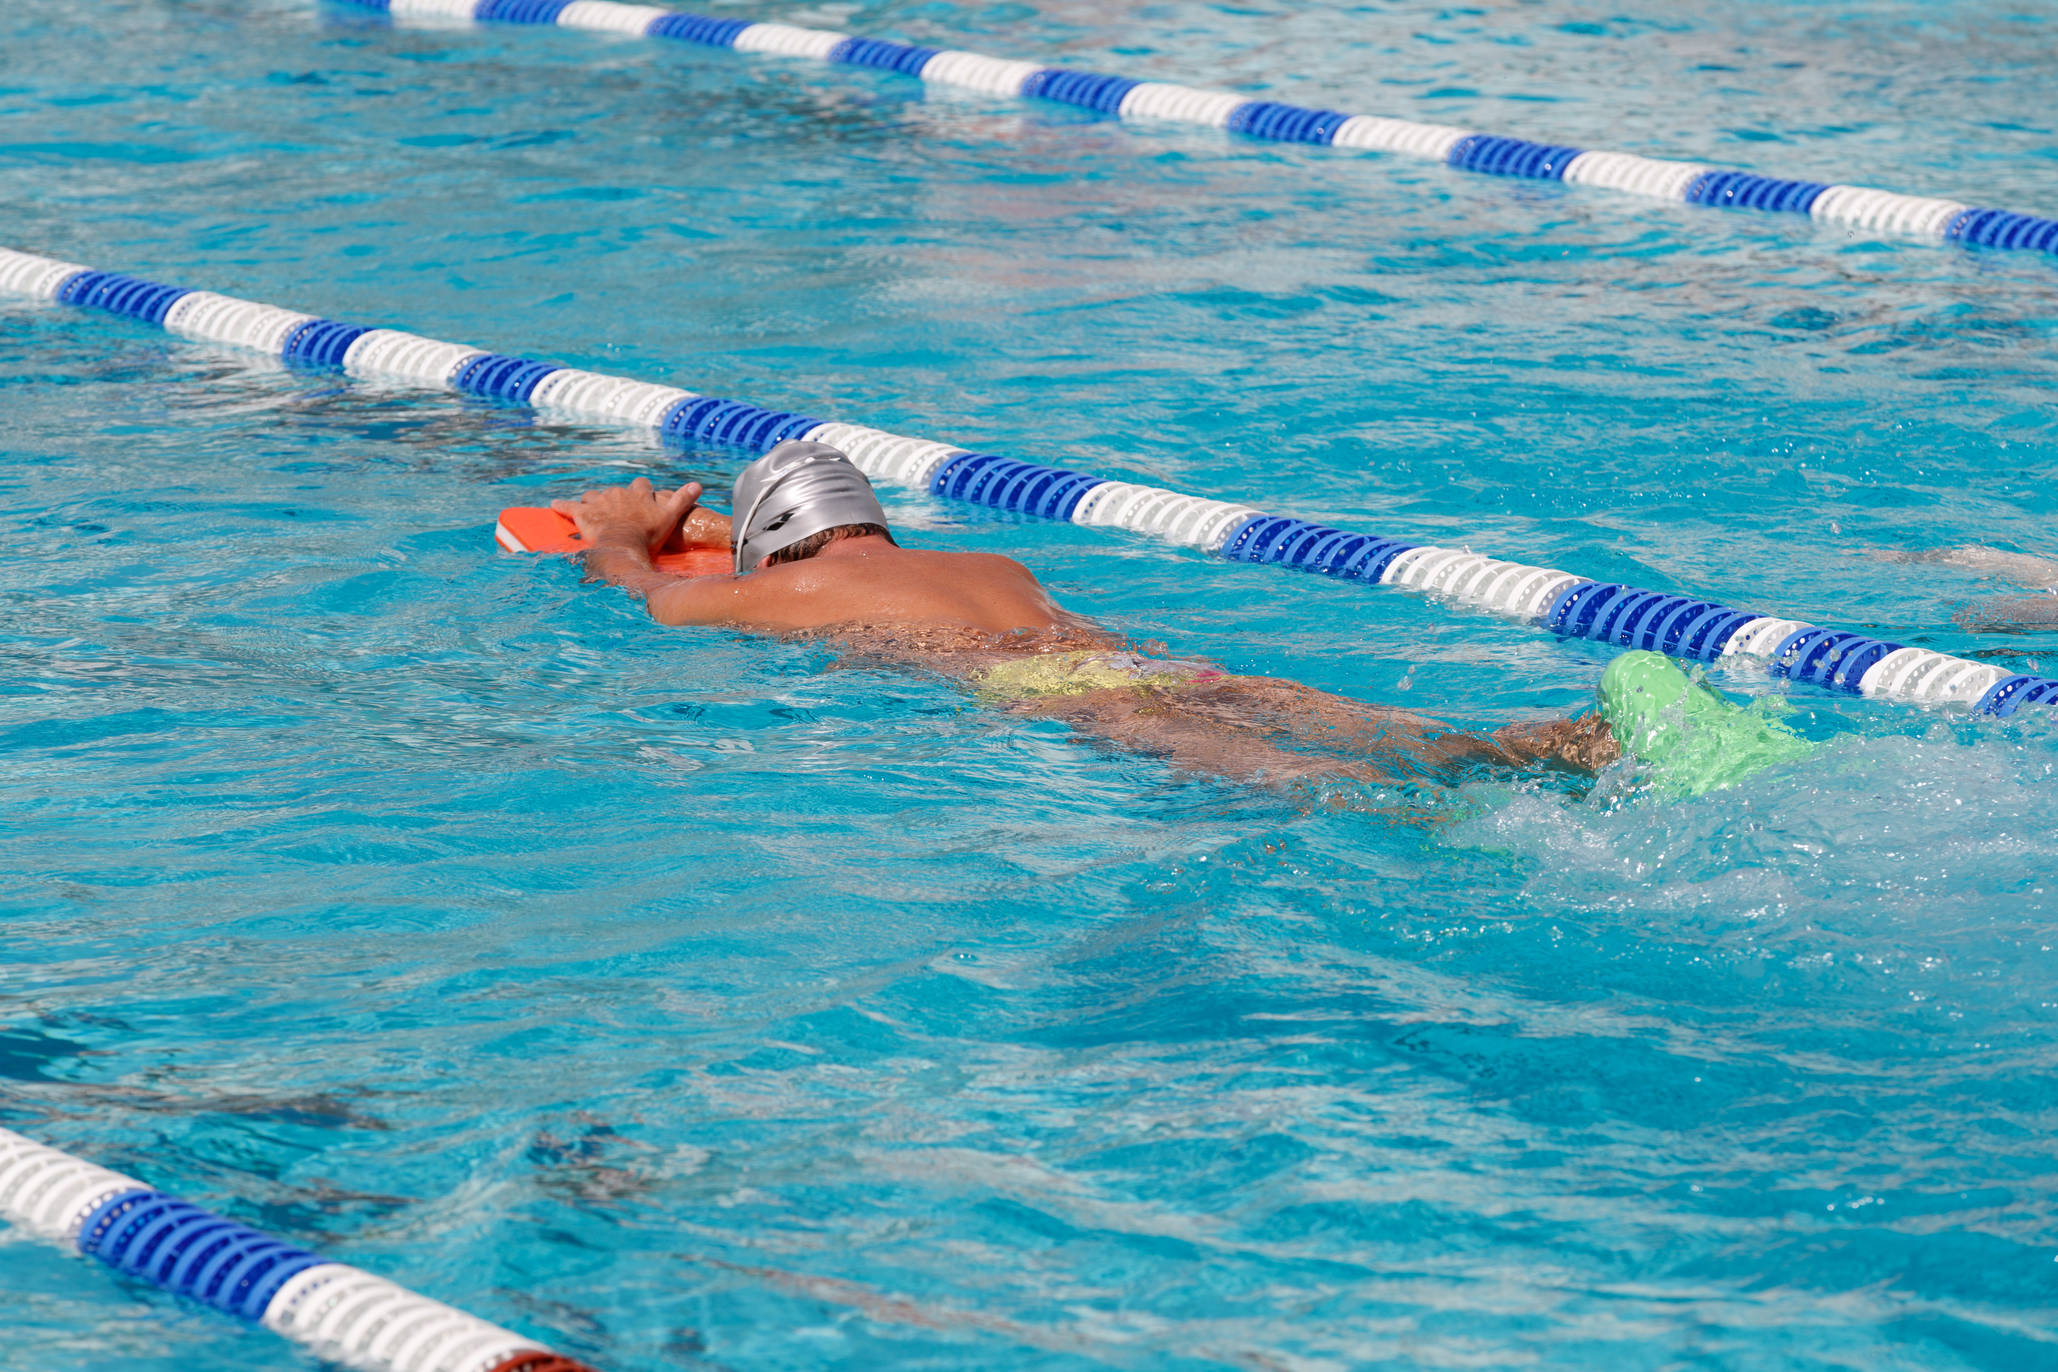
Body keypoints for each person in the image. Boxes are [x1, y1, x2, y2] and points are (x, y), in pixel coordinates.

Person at [549, 441, 1798, 795]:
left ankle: (1460, 816)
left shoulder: (772, 592)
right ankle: (1577, 739)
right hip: (1113, 655)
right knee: (1380, 724)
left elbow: (648, 596)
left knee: (1297, 781)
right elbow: (1074, 624)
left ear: (768, 539)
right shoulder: (984, 562)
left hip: (1052, 692)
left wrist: (619, 529)